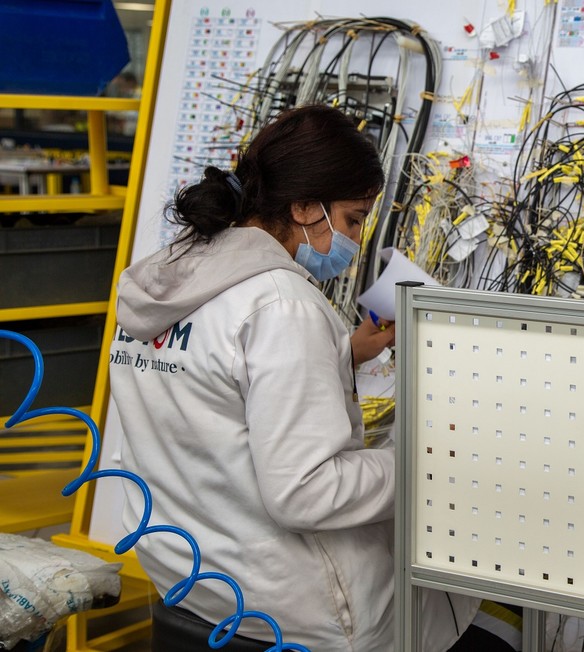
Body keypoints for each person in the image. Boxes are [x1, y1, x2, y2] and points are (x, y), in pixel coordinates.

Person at [109, 105, 476, 650]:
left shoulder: (165, 283)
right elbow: (307, 493)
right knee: (463, 605)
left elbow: (211, 391)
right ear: (305, 207)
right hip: (288, 606)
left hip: (191, 576)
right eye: (353, 219)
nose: (354, 242)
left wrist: (340, 355)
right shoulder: (282, 304)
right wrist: (429, 464)